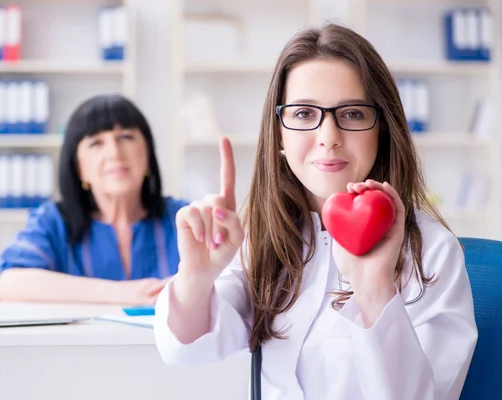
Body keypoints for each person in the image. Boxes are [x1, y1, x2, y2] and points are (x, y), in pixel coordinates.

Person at [153, 24, 477, 399]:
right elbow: (187, 349)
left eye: (353, 114)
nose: (328, 136)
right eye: (305, 113)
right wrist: (196, 277)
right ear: (279, 133)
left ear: (382, 129)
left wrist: (374, 286)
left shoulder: (434, 253)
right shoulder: (263, 241)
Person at [0, 94, 188, 306]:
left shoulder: (184, 219)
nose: (114, 153)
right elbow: (9, 284)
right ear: (79, 169)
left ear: (148, 154)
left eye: (126, 137)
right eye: (96, 143)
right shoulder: (54, 222)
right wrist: (127, 293)